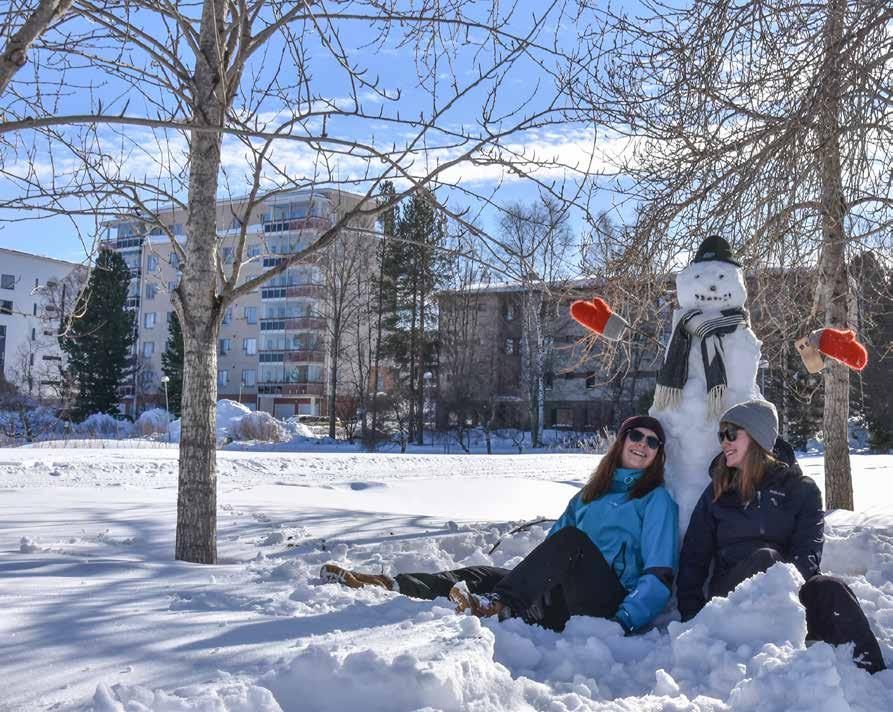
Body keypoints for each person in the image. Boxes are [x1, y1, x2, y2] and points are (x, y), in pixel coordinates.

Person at [321, 416, 679, 634]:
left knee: (570, 543)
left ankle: (497, 604)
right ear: (621, 442)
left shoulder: (655, 500)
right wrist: (527, 579)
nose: (643, 444)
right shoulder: (592, 493)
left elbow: (660, 573)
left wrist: (624, 621)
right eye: (636, 436)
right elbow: (552, 549)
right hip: (565, 598)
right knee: (483, 574)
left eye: (652, 442)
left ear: (657, 454)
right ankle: (389, 585)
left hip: (605, 604)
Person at [677, 399, 886, 673]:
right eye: (721, 435)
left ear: (757, 438)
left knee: (831, 587)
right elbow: (694, 556)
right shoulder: (718, 490)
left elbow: (808, 553)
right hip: (733, 600)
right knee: (767, 558)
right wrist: (692, 618)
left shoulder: (801, 490)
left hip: (792, 594)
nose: (724, 442)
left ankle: (873, 677)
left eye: (731, 434)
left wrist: (789, 594)